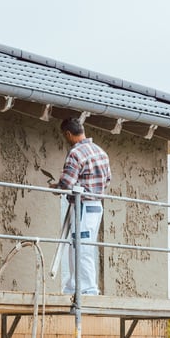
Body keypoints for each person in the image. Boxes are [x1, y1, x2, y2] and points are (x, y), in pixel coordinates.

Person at [54, 117, 111, 296]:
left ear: (68, 134)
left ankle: (87, 289)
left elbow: (66, 184)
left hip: (83, 206)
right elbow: (108, 179)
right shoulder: (100, 152)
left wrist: (55, 187)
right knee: (80, 245)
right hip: (96, 206)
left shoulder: (76, 153)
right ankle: (74, 286)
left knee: (81, 247)